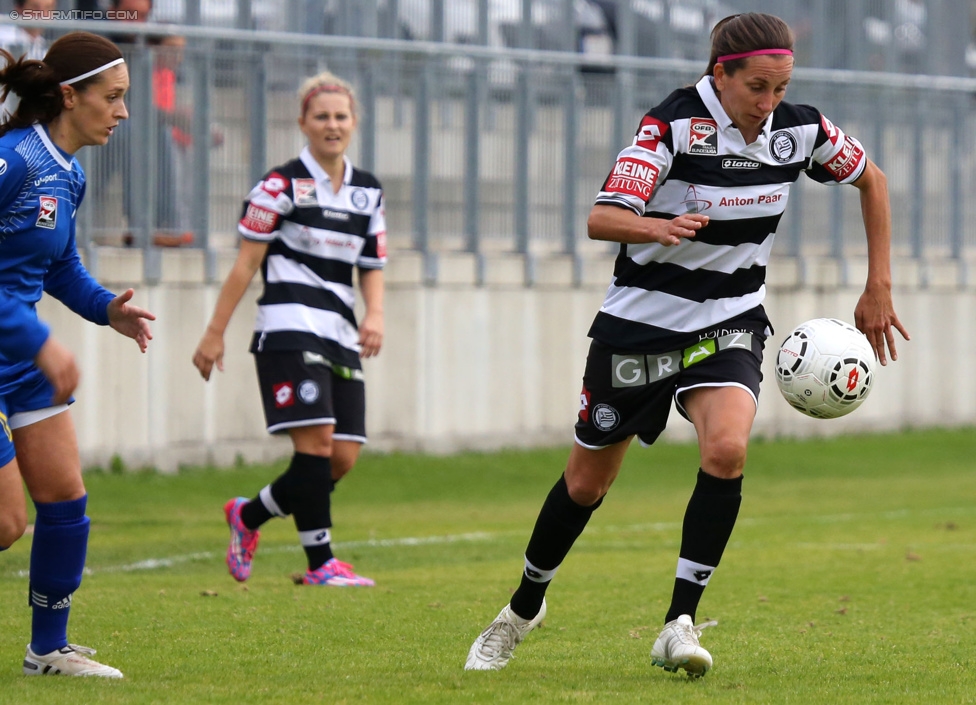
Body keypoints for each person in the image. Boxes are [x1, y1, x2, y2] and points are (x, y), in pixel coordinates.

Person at [465, 12, 911, 677]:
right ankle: (524, 607)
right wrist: (657, 226)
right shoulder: (670, 125)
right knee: (587, 482)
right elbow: (601, 217)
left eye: (779, 88)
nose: (768, 104)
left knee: (727, 448)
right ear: (720, 74)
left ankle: (680, 622)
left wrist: (879, 282)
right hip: (639, 325)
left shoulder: (801, 129)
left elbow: (871, 179)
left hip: (728, 320)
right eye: (756, 87)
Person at [0, 31, 155, 678]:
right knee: (8, 521)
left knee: (65, 500)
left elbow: (59, 267)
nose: (122, 112)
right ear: (70, 95)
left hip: (18, 358)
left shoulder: (69, 175)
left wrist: (106, 309)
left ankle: (47, 650)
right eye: (112, 98)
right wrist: (41, 341)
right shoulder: (12, 161)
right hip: (23, 348)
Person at [192, 71, 386, 588]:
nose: (331, 124)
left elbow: (372, 263)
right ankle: (321, 563)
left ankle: (249, 515)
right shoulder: (277, 185)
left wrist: (375, 314)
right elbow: (244, 266)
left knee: (339, 458)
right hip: (287, 328)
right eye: (321, 115)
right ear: (302, 122)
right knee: (316, 446)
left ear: (354, 122)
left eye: (340, 116)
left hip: (340, 333)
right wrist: (215, 333)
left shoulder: (368, 190)